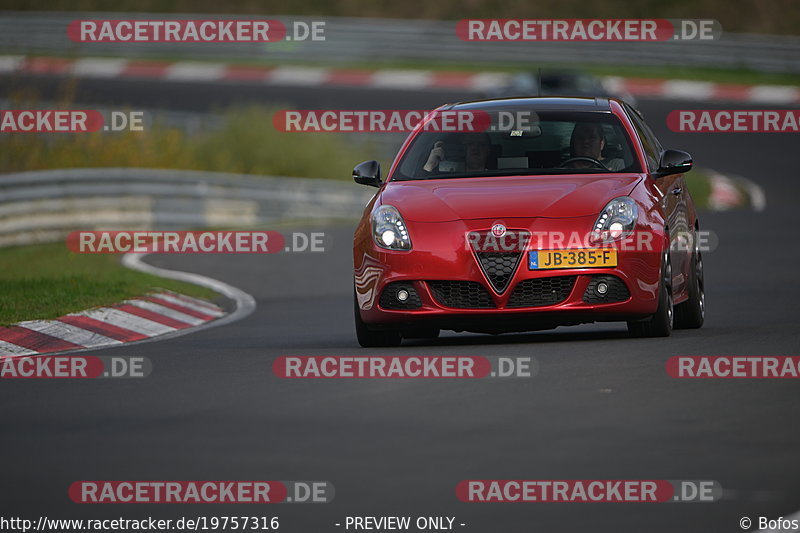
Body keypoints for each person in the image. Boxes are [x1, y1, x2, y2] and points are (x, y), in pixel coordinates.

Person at [423, 132, 491, 173]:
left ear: (488, 150)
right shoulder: (447, 177)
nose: (475, 148)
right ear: (462, 149)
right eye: (470, 144)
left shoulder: (496, 178)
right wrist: (430, 165)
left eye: (481, 145)